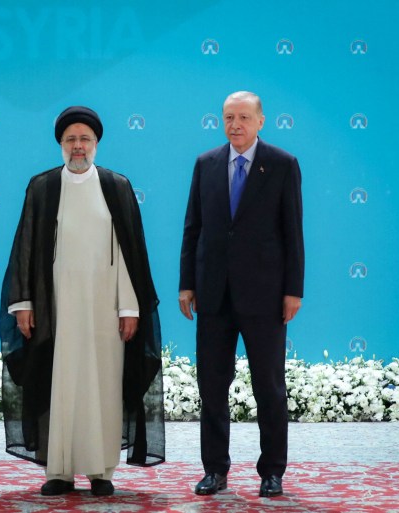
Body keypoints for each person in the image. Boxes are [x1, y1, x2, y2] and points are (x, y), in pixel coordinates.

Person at [0, 106, 165, 497]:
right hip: (55, 307)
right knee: (60, 385)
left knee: (103, 386)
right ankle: (58, 470)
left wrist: (129, 307)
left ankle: (100, 471)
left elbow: (130, 253)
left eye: (84, 139)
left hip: (105, 307)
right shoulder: (42, 186)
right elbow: (24, 245)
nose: (78, 146)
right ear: (60, 144)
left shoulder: (116, 185)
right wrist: (23, 303)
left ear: (96, 144)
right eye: (70, 139)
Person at [179, 91, 304, 497]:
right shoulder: (206, 164)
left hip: (265, 296)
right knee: (212, 386)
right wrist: (187, 283)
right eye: (229, 117)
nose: (236, 125)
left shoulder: (283, 165)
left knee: (268, 386)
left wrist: (293, 291)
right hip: (213, 295)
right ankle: (215, 469)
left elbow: (293, 234)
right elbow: (192, 228)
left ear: (261, 121)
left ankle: (272, 472)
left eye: (244, 118)